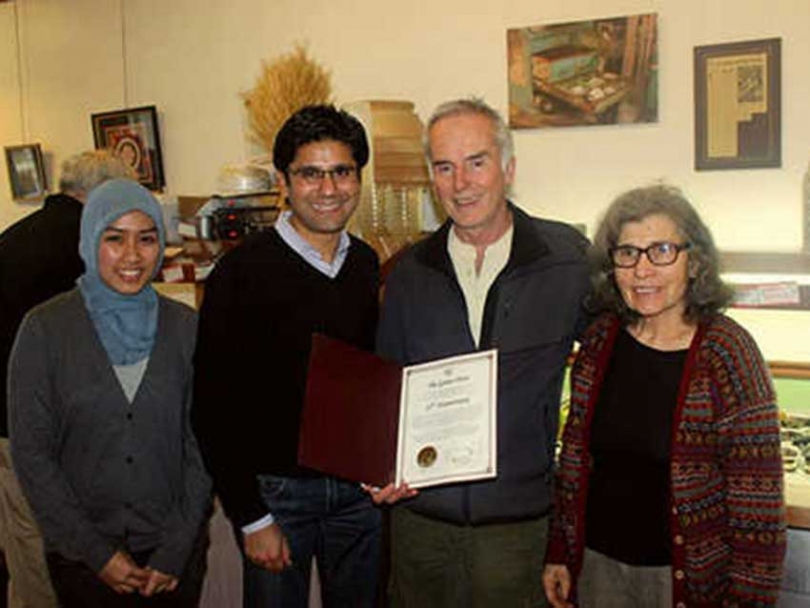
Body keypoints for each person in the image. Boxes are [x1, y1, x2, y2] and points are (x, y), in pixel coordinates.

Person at [374, 97, 590, 607]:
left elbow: (612, 367)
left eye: (477, 162)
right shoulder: (408, 273)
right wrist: (377, 465)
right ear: (432, 178)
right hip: (420, 528)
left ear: (508, 168)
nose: (461, 183)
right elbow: (386, 390)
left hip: (519, 531)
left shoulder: (567, 260)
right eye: (445, 167)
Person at [543, 184, 786, 607]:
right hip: (597, 572)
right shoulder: (600, 342)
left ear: (695, 262)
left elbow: (758, 510)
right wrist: (560, 552)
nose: (642, 270)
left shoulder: (728, 354)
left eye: (661, 251)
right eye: (627, 253)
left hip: (683, 584)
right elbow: (575, 460)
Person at [192, 105, 382, 607]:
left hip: (357, 496)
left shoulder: (365, 265)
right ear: (283, 181)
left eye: (342, 172)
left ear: (358, 178)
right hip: (277, 497)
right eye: (310, 174)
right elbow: (212, 407)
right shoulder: (240, 274)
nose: (328, 189)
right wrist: (250, 516)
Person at [7, 178, 212, 607]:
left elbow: (203, 445)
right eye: (115, 239)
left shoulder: (186, 327)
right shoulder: (44, 329)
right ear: (88, 240)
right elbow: (33, 455)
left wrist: (176, 549)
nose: (133, 256)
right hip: (83, 561)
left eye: (147, 239)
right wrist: (97, 554)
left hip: (173, 557)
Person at [0, 150, 134, 608]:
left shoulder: (13, 238)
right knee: (63, 557)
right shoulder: (88, 248)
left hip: (8, 427)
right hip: (60, 433)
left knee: (24, 549)